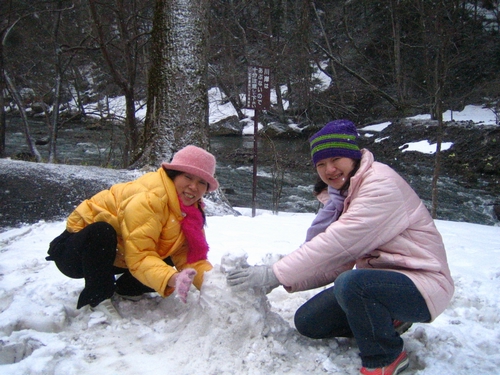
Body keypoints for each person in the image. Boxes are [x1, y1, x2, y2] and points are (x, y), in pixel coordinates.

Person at [227, 120, 454, 375]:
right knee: (309, 322)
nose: (329, 169)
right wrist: (282, 280)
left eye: (336, 159)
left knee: (352, 284)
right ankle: (387, 319)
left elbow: (336, 243)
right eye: (321, 164)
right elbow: (337, 262)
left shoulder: (379, 185)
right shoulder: (343, 195)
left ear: (353, 156)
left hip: (421, 284)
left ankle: (385, 358)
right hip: (378, 284)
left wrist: (274, 273)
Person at [46, 145, 218, 320]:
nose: (193, 187)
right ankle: (96, 296)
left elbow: (191, 259)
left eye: (201, 182)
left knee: (166, 255)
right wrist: (172, 278)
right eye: (188, 177)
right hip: (77, 253)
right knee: (102, 232)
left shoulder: (190, 213)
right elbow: (141, 256)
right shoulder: (149, 199)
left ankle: (126, 288)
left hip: (118, 254)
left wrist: (216, 284)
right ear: (174, 175)